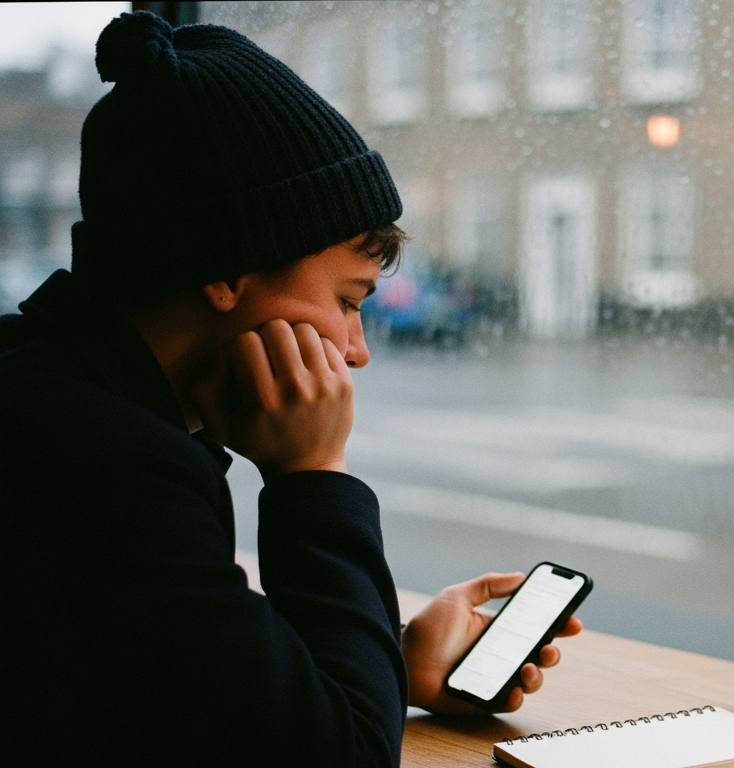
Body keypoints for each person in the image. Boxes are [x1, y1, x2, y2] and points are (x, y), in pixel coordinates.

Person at [0, 12, 579, 766]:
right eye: (347, 300)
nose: (356, 349)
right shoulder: (106, 464)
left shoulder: (50, 384)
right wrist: (310, 478)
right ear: (226, 269)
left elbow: (190, 685)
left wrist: (389, 662)